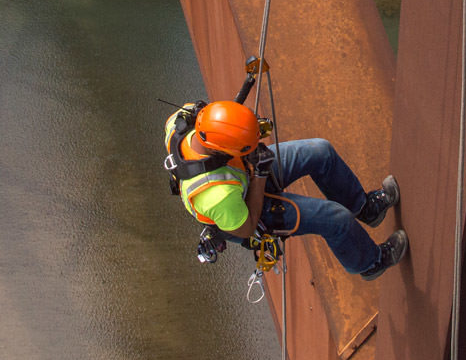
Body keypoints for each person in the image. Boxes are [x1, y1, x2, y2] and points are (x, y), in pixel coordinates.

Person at [164, 99, 408, 280]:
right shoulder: (216, 195)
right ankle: (370, 262)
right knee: (336, 219)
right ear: (221, 151)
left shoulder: (184, 123)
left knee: (321, 152)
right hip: (249, 212)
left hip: (245, 174)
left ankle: (364, 208)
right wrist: (259, 174)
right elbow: (247, 229)